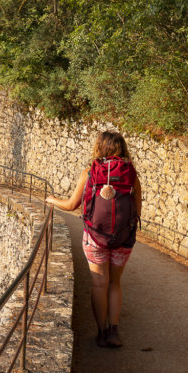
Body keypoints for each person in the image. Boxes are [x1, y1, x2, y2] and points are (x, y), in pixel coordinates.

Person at [46, 130, 142, 348]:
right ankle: (114, 331)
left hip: (95, 238)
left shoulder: (89, 173)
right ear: (123, 148)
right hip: (123, 239)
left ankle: (101, 332)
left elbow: (71, 205)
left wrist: (52, 200)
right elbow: (137, 213)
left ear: (99, 147)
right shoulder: (131, 174)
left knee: (99, 284)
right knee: (115, 283)